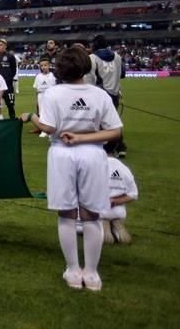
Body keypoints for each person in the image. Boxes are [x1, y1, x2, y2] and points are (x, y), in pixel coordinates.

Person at [22, 46, 123, 292]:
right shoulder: (99, 94)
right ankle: (92, 273)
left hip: (62, 153)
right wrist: (84, 137)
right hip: (92, 154)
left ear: (59, 69)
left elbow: (48, 127)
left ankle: (73, 270)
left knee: (67, 213)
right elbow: (116, 131)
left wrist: (30, 116)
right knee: (91, 214)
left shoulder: (53, 94)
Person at [90, 35, 126, 158]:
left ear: (95, 45)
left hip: (100, 93)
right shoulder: (117, 57)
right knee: (113, 120)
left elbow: (91, 79)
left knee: (100, 122)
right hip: (114, 92)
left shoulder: (92, 58)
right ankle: (120, 146)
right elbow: (122, 74)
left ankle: (107, 146)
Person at [99, 139, 138, 244]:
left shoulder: (94, 165)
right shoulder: (124, 168)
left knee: (76, 225)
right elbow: (133, 194)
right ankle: (116, 226)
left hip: (98, 210)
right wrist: (114, 201)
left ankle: (103, 226)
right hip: (118, 211)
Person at [0, 39, 18, 119]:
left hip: (8, 85)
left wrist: (8, 79)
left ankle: (12, 121)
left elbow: (13, 70)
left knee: (10, 105)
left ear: (5, 46)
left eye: (1, 45)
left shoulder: (10, 56)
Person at [34, 58, 57, 138]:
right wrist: (36, 100)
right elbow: (36, 90)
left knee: (51, 113)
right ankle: (44, 131)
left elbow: (56, 88)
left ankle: (51, 131)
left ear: (49, 66)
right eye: (41, 66)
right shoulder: (38, 76)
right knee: (41, 114)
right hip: (41, 96)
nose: (43, 67)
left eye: (45, 65)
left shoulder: (53, 76)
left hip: (50, 96)